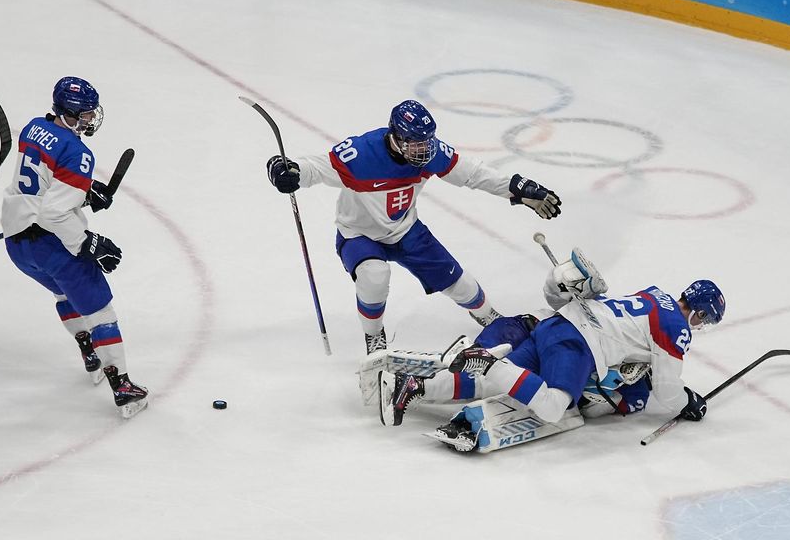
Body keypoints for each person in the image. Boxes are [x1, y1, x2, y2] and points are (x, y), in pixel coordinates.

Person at [265, 100, 561, 354]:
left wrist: (517, 189)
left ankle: (489, 316)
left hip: (406, 230)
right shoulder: (359, 154)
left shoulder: (431, 153)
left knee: (461, 284)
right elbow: (314, 168)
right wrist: (284, 169)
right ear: (395, 137)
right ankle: (373, 335)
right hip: (359, 234)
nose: (423, 149)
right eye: (415, 142)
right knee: (374, 274)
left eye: (426, 141)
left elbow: (473, 174)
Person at [377, 248, 725, 454]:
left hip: (554, 324)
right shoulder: (676, 327)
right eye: (705, 319)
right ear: (700, 311)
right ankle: (486, 362)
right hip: (579, 342)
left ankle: (413, 388)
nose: (700, 325)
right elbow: (666, 390)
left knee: (495, 386)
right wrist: (688, 403)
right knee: (554, 405)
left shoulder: (654, 294)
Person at [0, 76, 147, 419]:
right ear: (67, 113)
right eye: (84, 113)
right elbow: (53, 211)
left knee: (64, 295)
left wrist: (84, 188)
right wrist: (88, 241)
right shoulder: (79, 152)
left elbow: (45, 180)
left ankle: (88, 351)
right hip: (52, 244)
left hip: (17, 243)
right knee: (101, 312)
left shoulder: (34, 128)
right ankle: (122, 386)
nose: (90, 119)